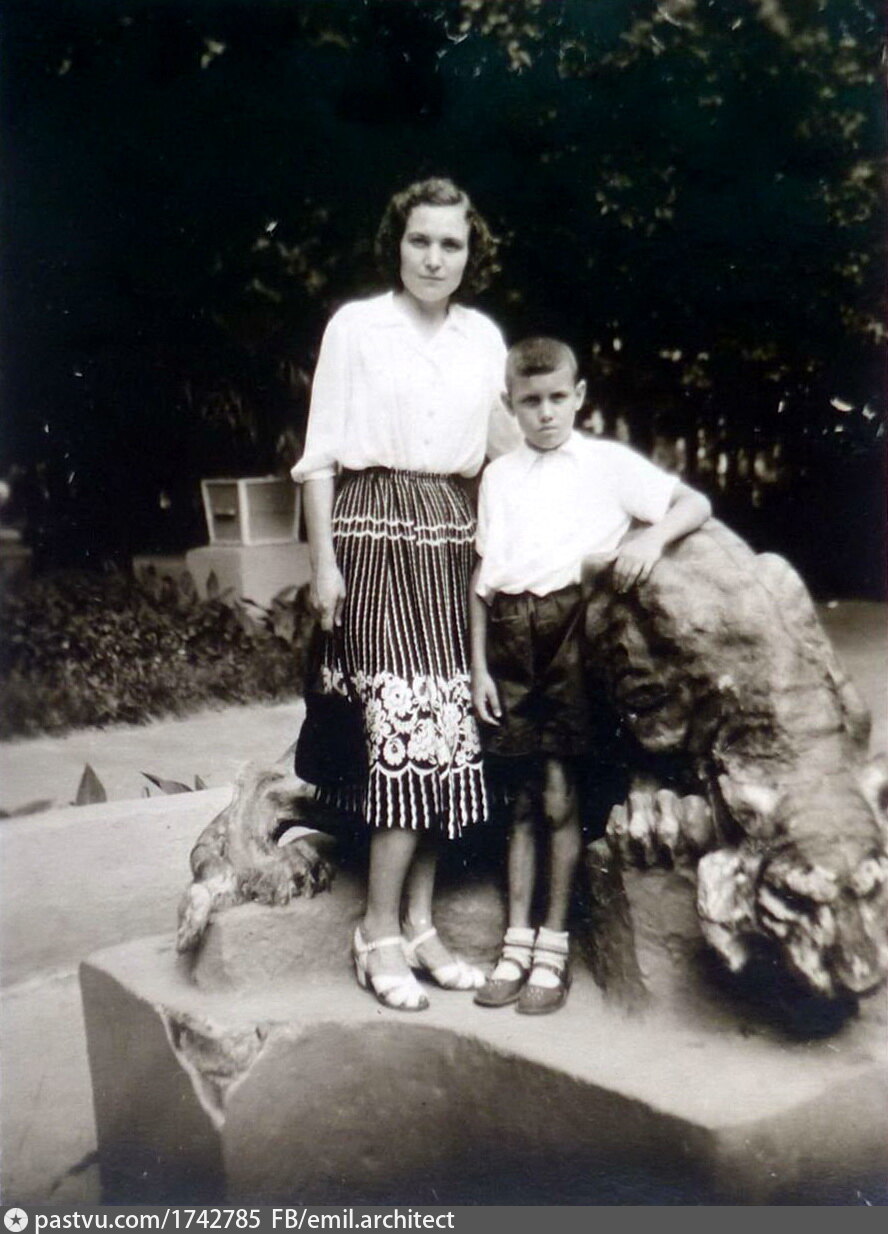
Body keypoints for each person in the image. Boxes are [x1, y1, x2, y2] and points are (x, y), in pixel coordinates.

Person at [291, 177, 520, 1012]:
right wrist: (325, 564)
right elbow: (320, 456)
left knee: (450, 735)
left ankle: (420, 924)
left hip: (453, 538)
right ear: (397, 243)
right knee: (404, 727)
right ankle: (376, 931)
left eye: (450, 244)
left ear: (469, 254)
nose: (433, 257)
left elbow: (508, 454)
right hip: (372, 533)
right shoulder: (357, 328)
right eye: (420, 240)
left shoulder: (482, 339)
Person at [470, 337, 711, 1014]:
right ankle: (515, 942)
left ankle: (553, 946)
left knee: (558, 793)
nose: (545, 413)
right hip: (510, 638)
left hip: (574, 632)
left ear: (578, 396)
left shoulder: (606, 464)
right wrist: (477, 667)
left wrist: (650, 538)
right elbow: (483, 581)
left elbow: (692, 504)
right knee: (520, 796)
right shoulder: (499, 477)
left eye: (557, 398)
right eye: (531, 401)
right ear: (511, 405)